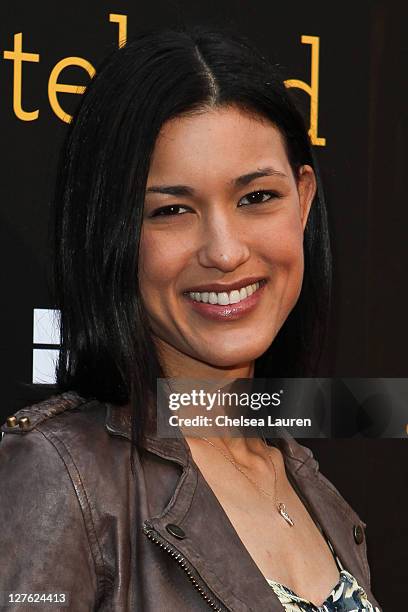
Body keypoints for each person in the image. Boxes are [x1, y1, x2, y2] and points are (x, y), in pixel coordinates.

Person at [0, 24, 382, 611]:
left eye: (257, 198)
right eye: (172, 210)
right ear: (113, 233)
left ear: (303, 201)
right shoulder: (59, 482)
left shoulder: (317, 491)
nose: (225, 252)